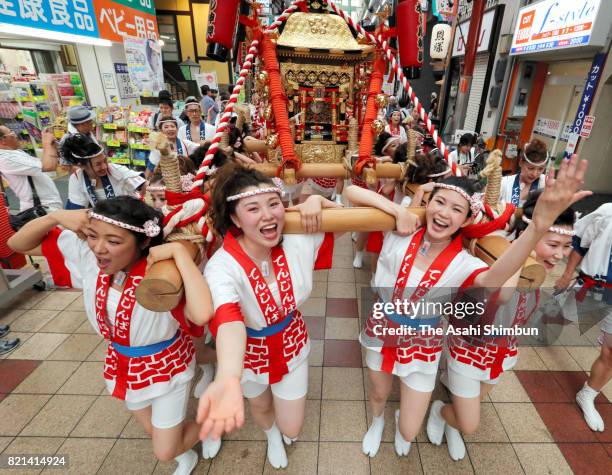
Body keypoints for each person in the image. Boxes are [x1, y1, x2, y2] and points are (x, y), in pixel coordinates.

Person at [342, 154, 588, 459]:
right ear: (428, 204)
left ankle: (399, 422)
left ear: (467, 220)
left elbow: (497, 275)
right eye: (439, 202)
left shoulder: (463, 262)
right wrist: (396, 209)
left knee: (408, 429)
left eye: (456, 208)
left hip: (423, 340)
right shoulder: (400, 228)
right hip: (383, 324)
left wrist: (537, 227)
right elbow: (351, 193)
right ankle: (377, 421)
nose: (444, 212)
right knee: (379, 391)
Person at [8, 196, 213, 474]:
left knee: (164, 449)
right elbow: (16, 245)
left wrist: (178, 254)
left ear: (143, 242)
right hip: (122, 364)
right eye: (92, 236)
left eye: (114, 241)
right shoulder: (87, 255)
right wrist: (54, 217)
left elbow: (201, 315)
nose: (99, 249)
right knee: (155, 431)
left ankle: (214, 422)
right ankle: (184, 452)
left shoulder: (163, 273)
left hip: (166, 367)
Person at [196, 163, 341, 469]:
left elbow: (350, 212)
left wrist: (319, 201)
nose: (267, 215)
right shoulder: (222, 266)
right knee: (260, 404)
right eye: (253, 208)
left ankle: (283, 431)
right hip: (247, 352)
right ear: (234, 218)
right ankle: (270, 435)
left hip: (292, 342)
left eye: (273, 204)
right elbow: (229, 321)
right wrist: (228, 376)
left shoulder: (298, 239)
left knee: (294, 426)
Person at [436, 189, 580, 461]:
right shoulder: (499, 257)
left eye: (565, 246)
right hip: (470, 351)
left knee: (474, 401)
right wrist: (526, 241)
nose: (560, 255)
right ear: (531, 234)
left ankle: (452, 414)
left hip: (503, 354)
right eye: (553, 244)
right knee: (469, 424)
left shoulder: (533, 268)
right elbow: (501, 295)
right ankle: (441, 413)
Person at [555, 203, 612, 433]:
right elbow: (580, 241)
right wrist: (567, 273)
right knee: (562, 319)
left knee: (610, 352)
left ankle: (587, 394)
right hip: (592, 286)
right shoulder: (608, 212)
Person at [63, 134, 146, 209]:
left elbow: (142, 183)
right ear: (81, 165)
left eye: (105, 160)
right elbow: (76, 210)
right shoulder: (76, 179)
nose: (105, 166)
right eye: (98, 164)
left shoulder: (114, 169)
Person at [0, 126, 62, 212]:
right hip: (40, 207)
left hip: (46, 204)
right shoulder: (6, 158)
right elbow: (48, 166)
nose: (16, 135)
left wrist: (52, 146)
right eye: (12, 133)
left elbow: (46, 163)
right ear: (3, 140)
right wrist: (47, 143)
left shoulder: (15, 152)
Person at [499, 139, 548, 207]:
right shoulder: (504, 183)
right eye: (530, 168)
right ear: (521, 162)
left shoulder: (546, 184)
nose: (534, 174)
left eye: (540, 169)